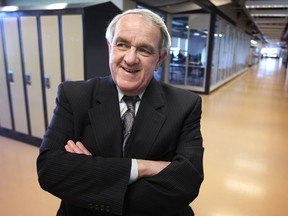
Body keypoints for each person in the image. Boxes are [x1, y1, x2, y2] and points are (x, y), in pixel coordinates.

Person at [37, 8, 204, 216]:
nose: (131, 58)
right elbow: (50, 171)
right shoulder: (73, 96)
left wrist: (90, 174)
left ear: (160, 59)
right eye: (122, 44)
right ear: (110, 48)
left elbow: (187, 181)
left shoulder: (186, 105)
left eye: (144, 50)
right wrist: (141, 168)